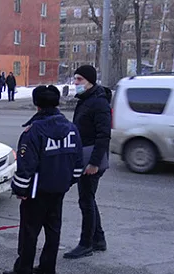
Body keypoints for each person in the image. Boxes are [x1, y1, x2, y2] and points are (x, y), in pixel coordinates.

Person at [3, 85, 83, 274]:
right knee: (53, 229)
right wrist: (67, 182)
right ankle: (48, 266)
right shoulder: (71, 129)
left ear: (36, 105)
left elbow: (26, 165)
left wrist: (20, 189)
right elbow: (78, 162)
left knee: (29, 232)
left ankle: (23, 269)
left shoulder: (33, 131)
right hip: (59, 189)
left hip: (36, 191)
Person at [63, 65, 112, 259]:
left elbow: (103, 135)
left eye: (79, 80)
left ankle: (86, 244)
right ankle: (98, 239)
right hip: (85, 156)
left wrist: (93, 163)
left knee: (86, 200)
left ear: (90, 81)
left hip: (91, 159)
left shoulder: (98, 103)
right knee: (88, 198)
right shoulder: (86, 100)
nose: (76, 84)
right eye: (75, 79)